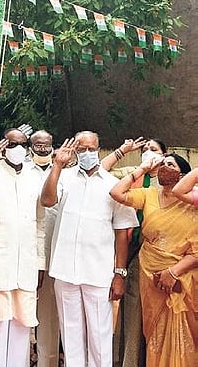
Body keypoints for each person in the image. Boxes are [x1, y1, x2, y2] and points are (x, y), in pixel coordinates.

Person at [41, 131, 138, 367]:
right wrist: (56, 165)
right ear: (74, 150)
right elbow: (47, 200)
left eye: (91, 149)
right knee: (70, 335)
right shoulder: (63, 177)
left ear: (99, 149)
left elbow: (123, 233)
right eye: (81, 149)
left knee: (100, 337)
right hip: (65, 270)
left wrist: (120, 274)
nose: (87, 153)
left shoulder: (113, 185)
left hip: (99, 273)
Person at [110, 153, 198, 366]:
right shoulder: (149, 195)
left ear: (183, 174)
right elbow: (117, 193)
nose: (164, 168)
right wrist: (142, 168)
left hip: (181, 277)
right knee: (149, 331)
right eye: (163, 164)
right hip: (147, 272)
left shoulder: (192, 202)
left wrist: (173, 272)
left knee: (181, 331)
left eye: (170, 164)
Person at [0, 128, 46, 367]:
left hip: (25, 267)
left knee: (21, 329)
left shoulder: (34, 176)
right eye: (12, 143)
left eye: (21, 144)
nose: (17, 148)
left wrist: (40, 263)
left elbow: (39, 223)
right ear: (3, 145)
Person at [102, 137, 166, 367]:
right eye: (146, 149)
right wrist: (123, 151)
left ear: (165, 155)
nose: (149, 152)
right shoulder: (134, 175)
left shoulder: (172, 181)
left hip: (166, 258)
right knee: (133, 316)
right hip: (134, 253)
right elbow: (101, 171)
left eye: (154, 150)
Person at [29, 130, 60, 367]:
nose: (41, 148)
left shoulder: (63, 173)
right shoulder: (21, 170)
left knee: (48, 313)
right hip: (25, 250)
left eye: (45, 145)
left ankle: (46, 362)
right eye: (37, 144)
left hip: (54, 252)